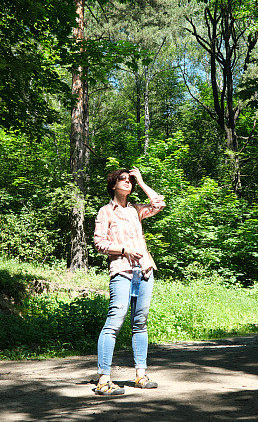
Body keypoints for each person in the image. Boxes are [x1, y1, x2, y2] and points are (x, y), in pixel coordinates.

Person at [92, 167, 166, 396]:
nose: (127, 183)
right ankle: (103, 380)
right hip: (122, 271)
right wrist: (123, 250)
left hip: (143, 271)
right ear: (113, 185)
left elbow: (158, 204)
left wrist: (142, 181)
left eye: (130, 181)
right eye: (122, 180)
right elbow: (99, 243)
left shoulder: (136, 210)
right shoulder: (106, 212)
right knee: (114, 322)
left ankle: (140, 375)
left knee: (140, 324)